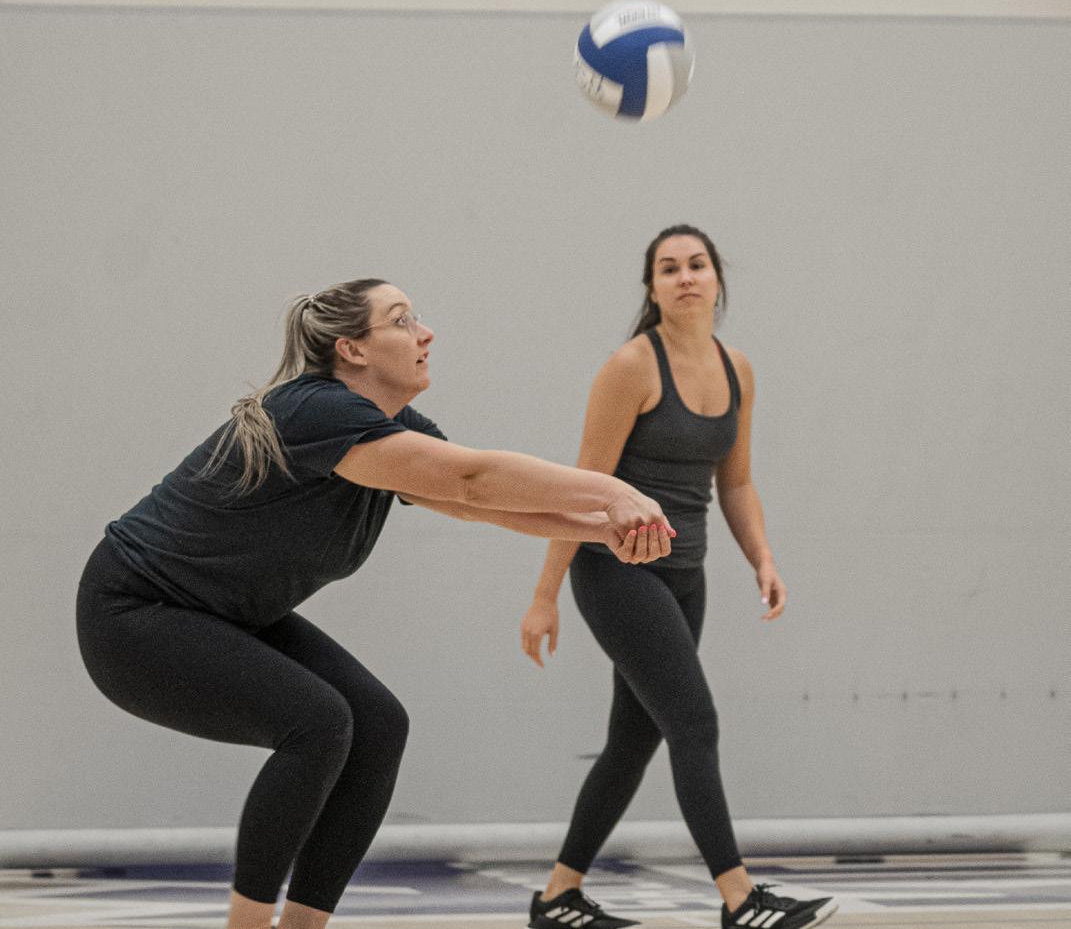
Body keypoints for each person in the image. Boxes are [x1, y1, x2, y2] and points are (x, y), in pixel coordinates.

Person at [76, 278, 678, 929]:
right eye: (402, 320)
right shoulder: (315, 410)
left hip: (220, 612)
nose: (426, 333)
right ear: (353, 349)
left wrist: (601, 529)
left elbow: (473, 503)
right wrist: (613, 493)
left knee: (378, 724)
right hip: (133, 613)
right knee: (317, 721)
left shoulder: (389, 429)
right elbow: (472, 480)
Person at [520, 227, 838, 929]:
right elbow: (582, 485)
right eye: (669, 268)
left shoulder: (737, 369)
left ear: (717, 279)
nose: (685, 277)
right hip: (616, 573)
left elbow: (737, 481)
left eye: (697, 265)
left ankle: (557, 897)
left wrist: (762, 557)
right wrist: (545, 596)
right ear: (652, 288)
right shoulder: (631, 366)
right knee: (694, 722)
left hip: (685, 576)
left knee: (632, 741)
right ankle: (740, 899)